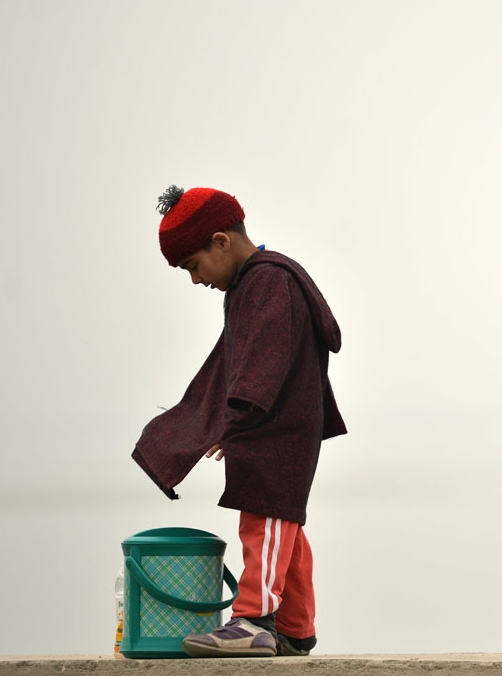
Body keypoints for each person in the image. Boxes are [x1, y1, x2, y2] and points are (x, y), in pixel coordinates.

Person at [132, 185, 346, 658]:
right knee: (284, 528)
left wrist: (240, 411)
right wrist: (234, 416)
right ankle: (294, 630)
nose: (195, 280)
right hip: (279, 420)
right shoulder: (259, 280)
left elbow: (263, 357)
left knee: (265, 520)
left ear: (222, 242)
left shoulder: (268, 280)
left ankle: (253, 621)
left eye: (193, 265)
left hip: (277, 425)